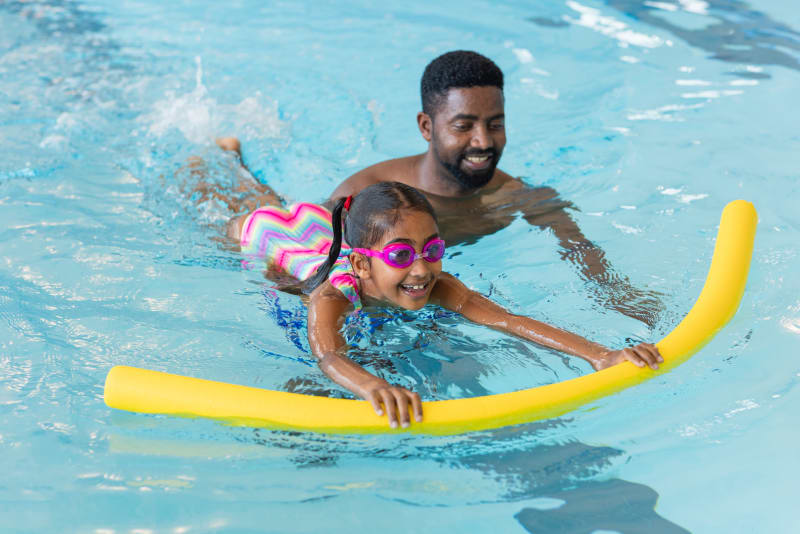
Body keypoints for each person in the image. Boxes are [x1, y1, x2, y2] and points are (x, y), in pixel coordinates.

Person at [220, 50, 663, 327]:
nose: (483, 142)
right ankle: (225, 161)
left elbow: (580, 249)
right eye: (463, 126)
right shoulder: (369, 192)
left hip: (416, 282)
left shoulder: (522, 198)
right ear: (426, 127)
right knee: (253, 210)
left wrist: (620, 297)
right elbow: (317, 253)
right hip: (293, 234)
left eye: (495, 124)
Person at [229, 181, 662, 429]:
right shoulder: (331, 297)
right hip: (272, 239)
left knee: (271, 196)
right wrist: (373, 386)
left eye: (432, 249)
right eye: (401, 254)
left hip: (320, 227)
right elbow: (329, 356)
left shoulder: (435, 282)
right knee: (241, 204)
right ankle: (217, 163)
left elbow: (507, 321)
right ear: (360, 264)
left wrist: (601, 355)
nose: (421, 270)